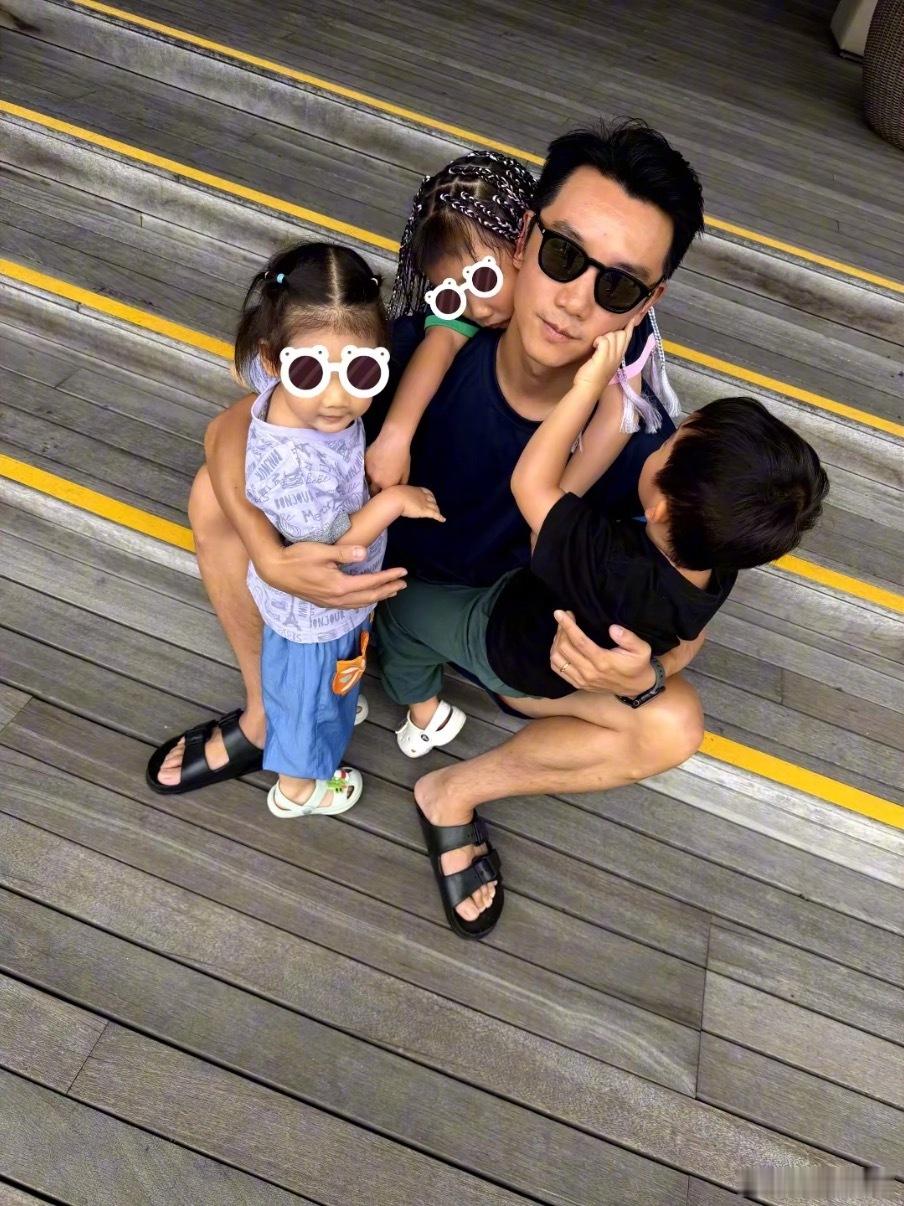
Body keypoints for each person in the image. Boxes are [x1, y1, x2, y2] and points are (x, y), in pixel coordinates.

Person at [146, 119, 711, 932]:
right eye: (564, 254)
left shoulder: (639, 443)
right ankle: (266, 713)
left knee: (672, 722)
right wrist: (269, 557)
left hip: (492, 636)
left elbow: (687, 614)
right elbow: (232, 428)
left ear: (649, 303)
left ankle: (454, 792)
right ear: (525, 239)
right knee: (216, 496)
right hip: (344, 593)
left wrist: (639, 674)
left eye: (618, 286)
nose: (576, 299)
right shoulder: (417, 349)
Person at [375, 327, 828, 935]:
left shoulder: (611, 563)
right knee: (671, 722)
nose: (663, 436)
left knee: (403, 611)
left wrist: (588, 386)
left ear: (660, 509)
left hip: (501, 640)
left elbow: (533, 487)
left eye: (671, 443)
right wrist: (652, 673)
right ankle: (448, 774)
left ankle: (414, 696)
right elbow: (687, 632)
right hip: (558, 664)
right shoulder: (713, 568)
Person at [147, 242, 444, 810]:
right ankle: (299, 789)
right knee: (310, 707)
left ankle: (311, 711)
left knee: (314, 689)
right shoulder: (294, 470)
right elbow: (339, 546)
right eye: (310, 371)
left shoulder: (285, 396)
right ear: (273, 360)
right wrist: (393, 502)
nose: (337, 396)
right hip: (318, 615)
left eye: (361, 370)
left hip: (307, 611)